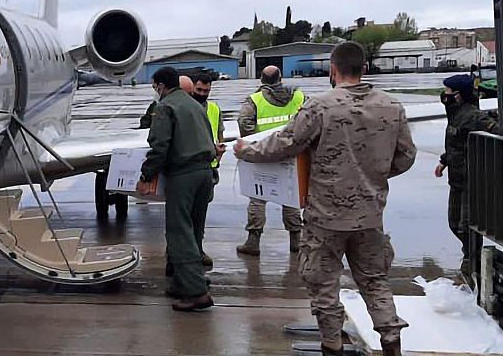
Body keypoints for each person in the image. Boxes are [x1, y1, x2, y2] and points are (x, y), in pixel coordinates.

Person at [234, 42, 416, 355]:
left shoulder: (320, 106)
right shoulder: (391, 106)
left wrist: (245, 150)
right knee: (374, 281)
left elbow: (286, 143)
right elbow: (406, 156)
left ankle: (331, 345)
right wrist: (372, 177)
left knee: (324, 284)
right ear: (365, 69)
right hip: (370, 215)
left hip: (325, 216)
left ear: (333, 70)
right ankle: (391, 341)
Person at [138, 67, 215, 311]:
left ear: (161, 86)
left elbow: (160, 146)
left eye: (155, 87)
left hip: (184, 175)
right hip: (205, 172)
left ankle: (195, 292)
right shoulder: (195, 105)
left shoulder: (165, 108)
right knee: (194, 231)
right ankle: (184, 281)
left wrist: (147, 174)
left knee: (179, 232)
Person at [435, 74, 502, 277]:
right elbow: (456, 143)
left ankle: (473, 264)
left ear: (458, 95)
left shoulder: (473, 116)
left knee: (467, 227)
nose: (444, 95)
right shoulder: (455, 114)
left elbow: (498, 130)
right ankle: (470, 258)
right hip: (456, 178)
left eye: (447, 92)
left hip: (471, 180)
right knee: (453, 223)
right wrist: (444, 161)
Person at [236, 65, 305, 256]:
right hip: (291, 153)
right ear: (280, 77)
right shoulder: (299, 96)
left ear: (261, 79)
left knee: (258, 196)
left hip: (262, 153)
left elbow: (244, 124)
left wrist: (256, 143)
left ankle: (253, 241)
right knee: (290, 197)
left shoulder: (255, 100)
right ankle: (296, 240)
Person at [190, 73, 226, 267]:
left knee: (200, 213)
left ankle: (198, 248)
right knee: (186, 215)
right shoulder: (186, 107)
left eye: (206, 91)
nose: (203, 94)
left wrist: (219, 155)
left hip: (209, 168)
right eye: (199, 90)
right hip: (189, 168)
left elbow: (220, 134)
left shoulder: (213, 108)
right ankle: (183, 251)